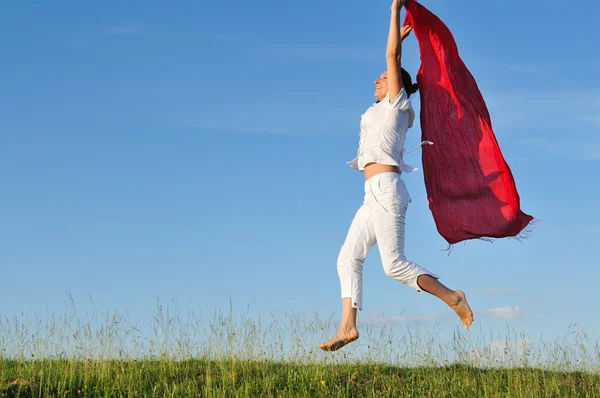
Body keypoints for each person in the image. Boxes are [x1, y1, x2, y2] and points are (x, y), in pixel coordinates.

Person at [318, 0, 474, 352]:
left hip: (388, 192)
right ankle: (347, 327)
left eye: (384, 77)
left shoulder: (397, 105)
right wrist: (400, 43)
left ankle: (453, 296)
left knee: (393, 265)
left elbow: (392, 59)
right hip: (370, 195)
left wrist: (393, 11)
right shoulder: (379, 109)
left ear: (396, 87)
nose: (377, 78)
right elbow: (393, 59)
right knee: (347, 257)